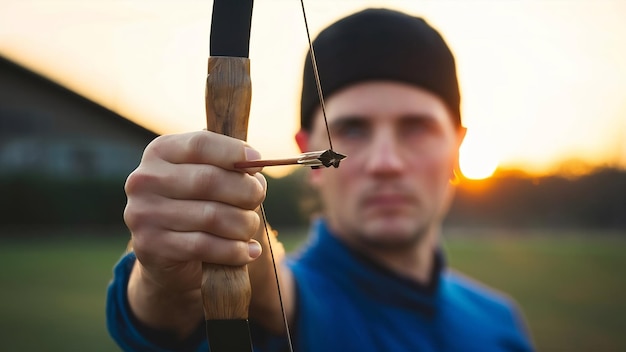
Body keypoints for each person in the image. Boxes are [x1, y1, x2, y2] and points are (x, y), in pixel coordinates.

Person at [107, 8, 534, 352]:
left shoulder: (499, 323)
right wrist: (173, 269)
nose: (385, 162)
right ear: (310, 154)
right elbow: (260, 292)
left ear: (457, 147)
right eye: (352, 129)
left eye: (416, 128)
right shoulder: (287, 305)